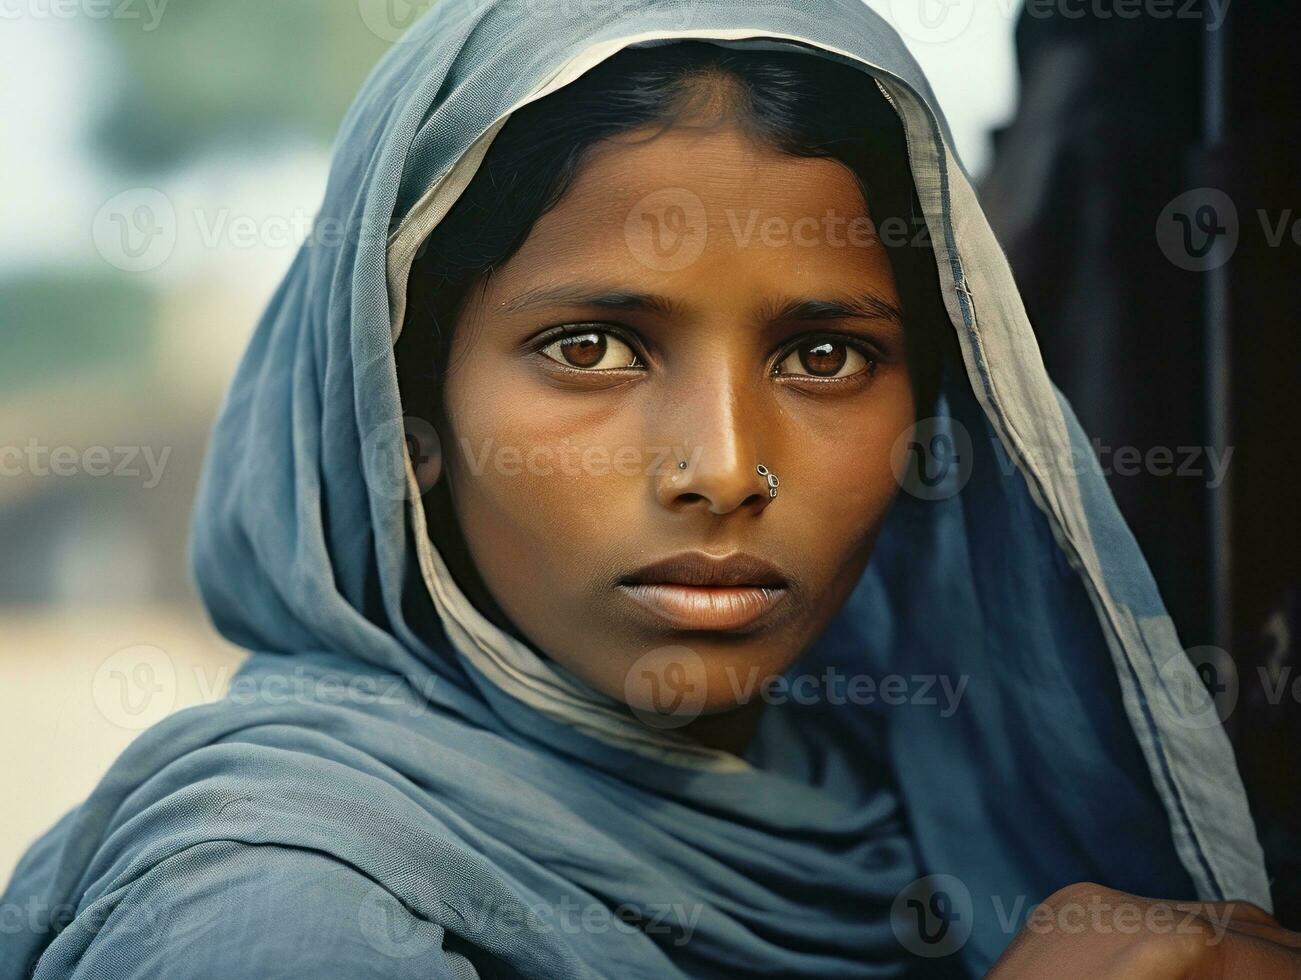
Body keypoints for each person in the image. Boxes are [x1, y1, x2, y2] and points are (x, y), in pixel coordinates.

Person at [2, 2, 1295, 977]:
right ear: (407, 416)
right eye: (591, 348)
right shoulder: (277, 906)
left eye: (825, 354)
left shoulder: (916, 804)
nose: (725, 468)